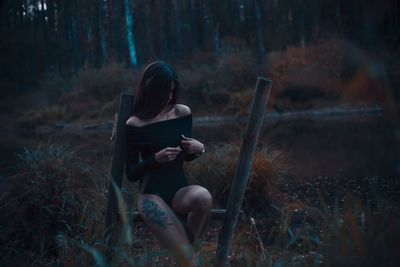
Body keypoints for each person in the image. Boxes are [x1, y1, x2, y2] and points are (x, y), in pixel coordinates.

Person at [124, 60, 212, 266]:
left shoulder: (182, 113)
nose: (171, 97)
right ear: (151, 91)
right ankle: (188, 257)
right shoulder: (135, 124)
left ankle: (186, 255)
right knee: (189, 258)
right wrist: (155, 159)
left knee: (204, 197)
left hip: (180, 191)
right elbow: (131, 173)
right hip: (151, 197)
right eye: (166, 93)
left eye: (173, 91)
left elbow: (187, 155)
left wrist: (200, 149)